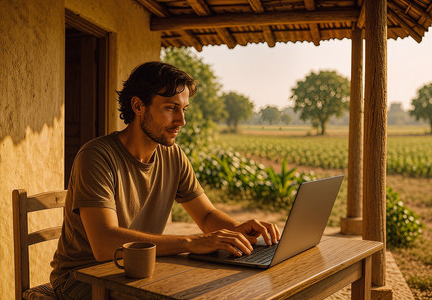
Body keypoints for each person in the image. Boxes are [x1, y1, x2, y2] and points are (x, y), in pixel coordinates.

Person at [50, 61, 280, 299]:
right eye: (171, 108)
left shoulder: (172, 155)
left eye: (184, 109)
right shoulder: (96, 156)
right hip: (84, 279)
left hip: (140, 271)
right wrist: (190, 242)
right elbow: (104, 243)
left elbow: (206, 215)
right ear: (138, 106)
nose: (182, 121)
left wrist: (237, 231)